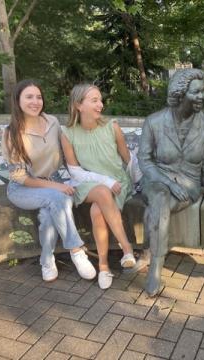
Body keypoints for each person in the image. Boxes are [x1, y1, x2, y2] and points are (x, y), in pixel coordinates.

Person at [138, 68, 204, 297]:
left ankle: (151, 256)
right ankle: (156, 270)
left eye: (203, 92)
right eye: (196, 92)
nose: (202, 97)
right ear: (180, 93)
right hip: (157, 179)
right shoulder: (155, 122)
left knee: (157, 210)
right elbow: (144, 160)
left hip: (189, 184)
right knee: (159, 199)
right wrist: (169, 184)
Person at [2, 79, 96, 282]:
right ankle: (77, 250)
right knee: (57, 197)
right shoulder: (12, 133)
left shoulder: (52, 122)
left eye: (38, 97)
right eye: (29, 97)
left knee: (48, 216)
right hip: (22, 188)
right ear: (17, 100)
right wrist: (56, 185)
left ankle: (46, 260)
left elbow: (68, 149)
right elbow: (20, 177)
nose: (35, 101)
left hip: (51, 182)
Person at [61, 83, 136, 290]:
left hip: (117, 183)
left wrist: (139, 182)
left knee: (97, 211)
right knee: (102, 192)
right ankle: (127, 248)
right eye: (94, 100)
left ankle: (103, 266)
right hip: (87, 183)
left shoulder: (112, 127)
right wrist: (105, 181)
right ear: (78, 105)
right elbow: (75, 171)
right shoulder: (67, 133)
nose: (100, 105)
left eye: (100, 100)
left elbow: (128, 159)